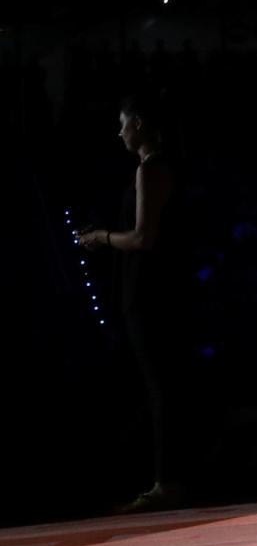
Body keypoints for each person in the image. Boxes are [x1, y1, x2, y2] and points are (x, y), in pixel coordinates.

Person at [75, 91, 190, 511]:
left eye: (122, 124)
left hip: (148, 291)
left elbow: (143, 237)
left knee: (160, 387)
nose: (119, 132)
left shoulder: (150, 169)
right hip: (149, 289)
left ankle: (167, 482)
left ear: (138, 123)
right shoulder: (156, 167)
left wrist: (102, 237)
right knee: (160, 386)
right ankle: (167, 478)